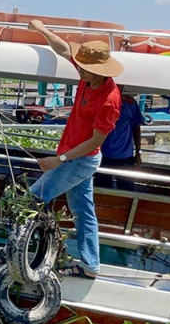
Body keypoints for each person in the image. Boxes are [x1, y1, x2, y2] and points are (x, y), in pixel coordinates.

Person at [22, 21, 123, 279]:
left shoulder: (109, 100)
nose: (80, 71)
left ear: (99, 71)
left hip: (79, 159)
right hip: (76, 157)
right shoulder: (89, 75)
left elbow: (95, 141)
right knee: (84, 212)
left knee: (31, 200)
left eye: (86, 69)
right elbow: (64, 50)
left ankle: (13, 252)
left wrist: (60, 159)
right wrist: (42, 29)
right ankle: (90, 266)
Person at [96, 87, 143, 189]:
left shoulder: (130, 103)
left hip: (125, 156)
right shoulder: (100, 101)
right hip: (103, 154)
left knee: (126, 188)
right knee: (102, 187)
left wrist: (138, 153)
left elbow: (136, 128)